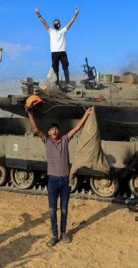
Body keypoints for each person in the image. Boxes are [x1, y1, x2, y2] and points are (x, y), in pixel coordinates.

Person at [27, 104, 93, 247]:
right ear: (49, 133)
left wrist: (86, 115)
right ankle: (54, 235)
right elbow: (36, 130)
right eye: (51, 130)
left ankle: (63, 233)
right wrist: (30, 115)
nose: (54, 131)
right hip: (52, 181)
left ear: (59, 131)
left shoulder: (65, 140)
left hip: (65, 181)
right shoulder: (47, 142)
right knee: (52, 210)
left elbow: (76, 129)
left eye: (56, 129)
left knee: (63, 209)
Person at [34, 7, 79, 89]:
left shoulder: (62, 31)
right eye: (55, 23)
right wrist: (38, 14)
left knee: (65, 67)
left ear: (59, 24)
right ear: (53, 25)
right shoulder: (51, 31)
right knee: (56, 69)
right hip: (54, 53)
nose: (56, 24)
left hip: (62, 52)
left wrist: (75, 15)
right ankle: (57, 84)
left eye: (57, 23)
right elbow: (44, 23)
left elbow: (70, 23)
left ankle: (67, 83)